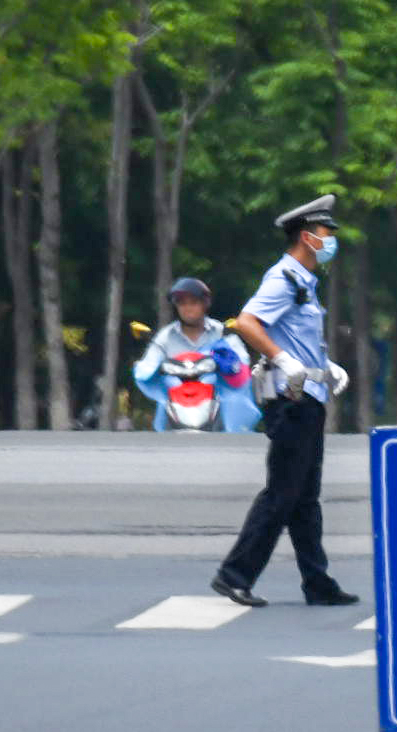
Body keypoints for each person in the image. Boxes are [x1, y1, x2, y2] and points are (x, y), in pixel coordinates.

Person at [212, 195, 359, 609]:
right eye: (326, 233)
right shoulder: (283, 279)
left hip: (308, 396)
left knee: (305, 497)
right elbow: (246, 322)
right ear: (306, 236)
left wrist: (325, 365)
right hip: (290, 401)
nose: (330, 240)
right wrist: (282, 359)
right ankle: (234, 575)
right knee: (282, 494)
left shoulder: (305, 284)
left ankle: (317, 582)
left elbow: (300, 339)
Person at [134, 276, 256, 432]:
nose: (188, 308)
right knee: (163, 414)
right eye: (182, 303)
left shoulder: (222, 333)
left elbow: (242, 362)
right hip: (176, 398)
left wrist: (231, 363)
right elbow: (148, 364)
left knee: (233, 410)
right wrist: (149, 368)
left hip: (217, 399)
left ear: (205, 304)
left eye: (193, 303)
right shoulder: (165, 336)